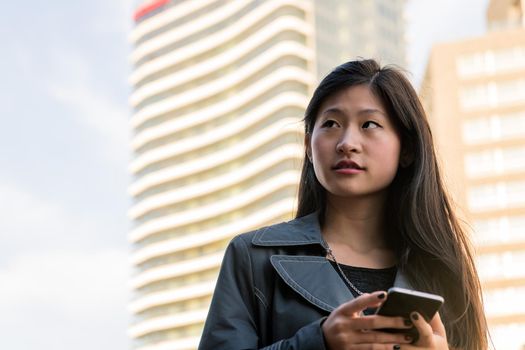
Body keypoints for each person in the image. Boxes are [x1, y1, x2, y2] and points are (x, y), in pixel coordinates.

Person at [198, 59, 488, 350]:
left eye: (369, 124)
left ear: (407, 149)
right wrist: (318, 343)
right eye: (331, 124)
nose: (347, 142)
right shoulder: (252, 258)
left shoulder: (443, 270)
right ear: (308, 147)